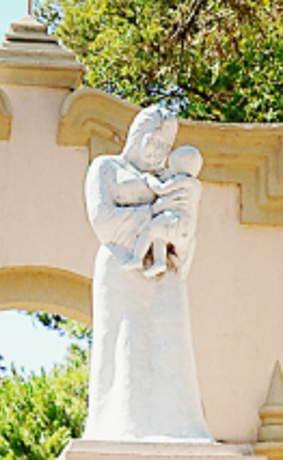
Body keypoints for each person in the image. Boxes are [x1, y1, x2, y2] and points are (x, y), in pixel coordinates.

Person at [82, 106, 213, 442]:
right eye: (154, 142)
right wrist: (154, 215)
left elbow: (186, 225)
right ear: (137, 136)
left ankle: (179, 427)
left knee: (171, 345)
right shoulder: (106, 168)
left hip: (165, 273)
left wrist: (176, 228)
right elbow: (104, 220)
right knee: (124, 345)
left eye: (165, 146)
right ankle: (120, 425)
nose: (159, 151)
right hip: (120, 269)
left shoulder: (173, 178)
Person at [126, 144, 204, 280]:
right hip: (187, 228)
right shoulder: (197, 186)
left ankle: (137, 258)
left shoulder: (182, 180)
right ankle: (159, 262)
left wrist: (148, 178)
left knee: (150, 231)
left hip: (174, 219)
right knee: (160, 235)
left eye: (171, 165)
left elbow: (161, 189)